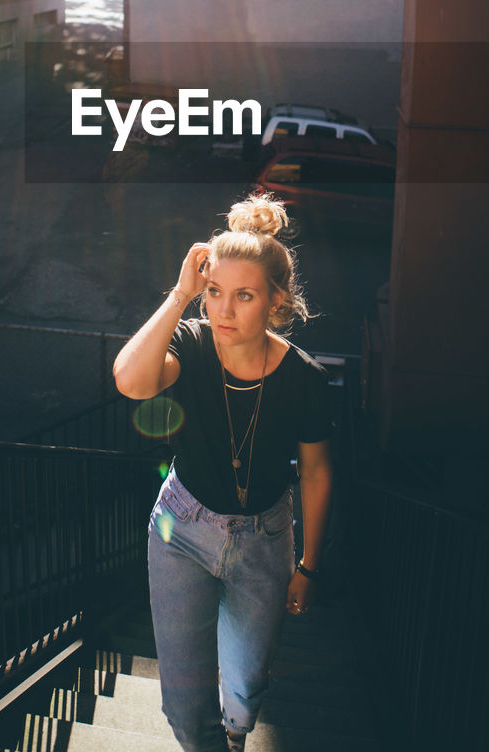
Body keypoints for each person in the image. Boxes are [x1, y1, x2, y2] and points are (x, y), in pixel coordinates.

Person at [112, 193, 334, 752]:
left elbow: (316, 474)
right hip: (181, 531)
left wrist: (308, 565)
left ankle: (235, 735)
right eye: (214, 293)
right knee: (185, 706)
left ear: (276, 302)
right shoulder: (189, 343)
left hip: (266, 540)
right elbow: (130, 382)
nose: (223, 311)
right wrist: (182, 293)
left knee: (247, 683)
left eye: (243, 296)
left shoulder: (305, 379)